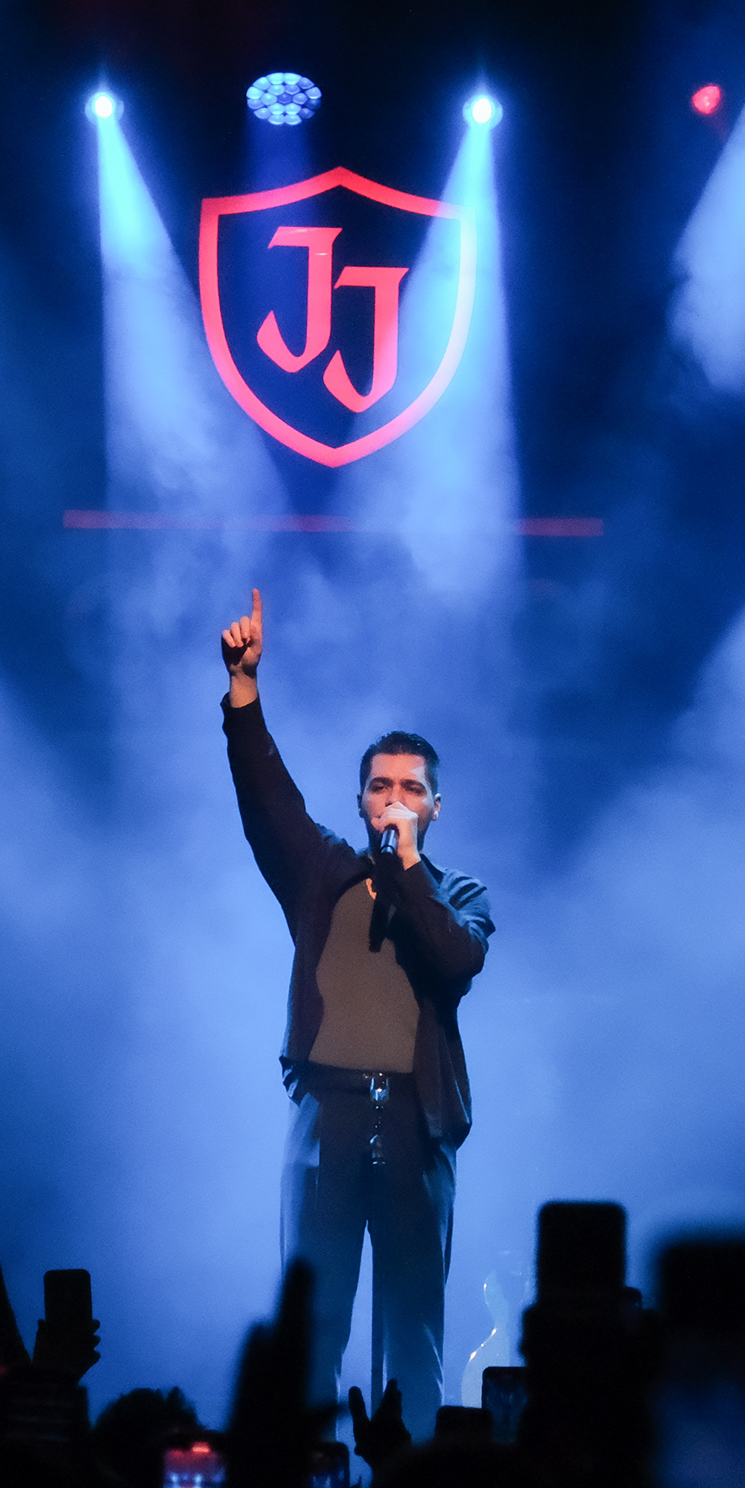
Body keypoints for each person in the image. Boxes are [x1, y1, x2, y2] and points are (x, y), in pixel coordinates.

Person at [220, 589, 494, 1414]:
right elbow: (268, 801)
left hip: (415, 1122)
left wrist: (408, 872)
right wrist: (243, 690)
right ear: (361, 801)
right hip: (327, 1116)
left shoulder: (461, 894)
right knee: (311, 1327)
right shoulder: (322, 875)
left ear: (434, 807)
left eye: (411, 789)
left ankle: (410, 1484)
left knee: (412, 1331)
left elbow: (455, 958)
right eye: (380, 787)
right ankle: (302, 1478)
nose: (394, 800)